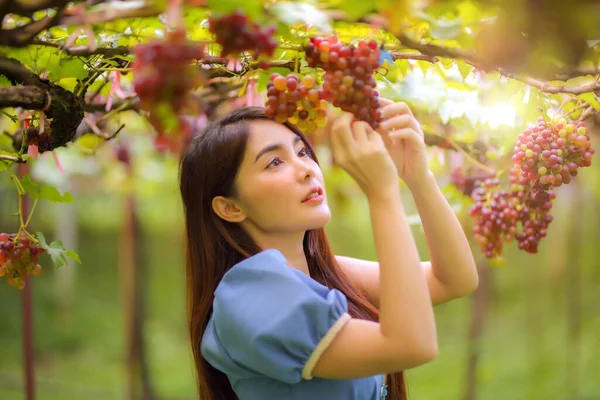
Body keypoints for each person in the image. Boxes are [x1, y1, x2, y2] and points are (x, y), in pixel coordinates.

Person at [179, 101, 478, 400]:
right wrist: (382, 194)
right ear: (230, 207)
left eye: (302, 152)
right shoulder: (253, 295)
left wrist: (417, 175)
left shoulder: (318, 274)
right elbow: (412, 345)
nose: (306, 169)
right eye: (274, 162)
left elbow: (454, 279)